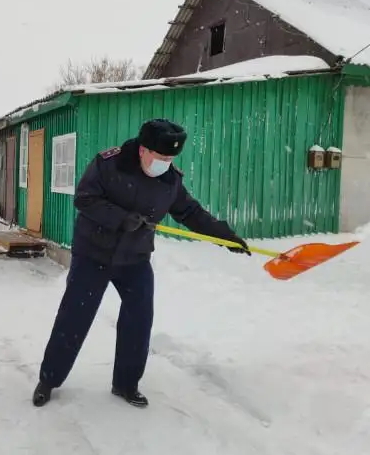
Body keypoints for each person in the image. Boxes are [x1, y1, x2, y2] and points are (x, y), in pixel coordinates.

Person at [32, 118, 250, 409]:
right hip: (94, 252)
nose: (166, 163)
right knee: (75, 315)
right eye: (161, 157)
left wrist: (225, 236)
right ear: (143, 150)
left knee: (139, 318)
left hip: (134, 258)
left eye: (171, 158)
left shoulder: (170, 180)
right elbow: (85, 199)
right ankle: (49, 379)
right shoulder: (109, 164)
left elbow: (191, 213)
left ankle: (126, 383)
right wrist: (121, 218)